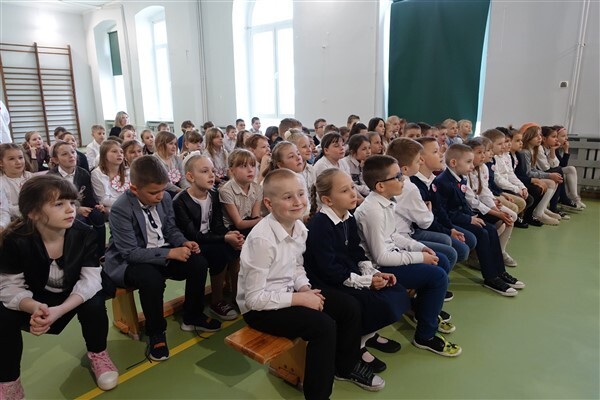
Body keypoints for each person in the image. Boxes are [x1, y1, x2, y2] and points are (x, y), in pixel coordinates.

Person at [237, 169, 385, 398]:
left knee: (349, 306)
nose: (298, 202)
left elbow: (296, 267)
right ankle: (318, 395)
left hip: (290, 293)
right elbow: (254, 299)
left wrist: (305, 288)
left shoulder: (299, 228)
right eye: (288, 197)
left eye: (301, 194)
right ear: (269, 203)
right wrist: (301, 298)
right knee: (323, 327)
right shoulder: (262, 240)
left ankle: (345, 367)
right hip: (260, 310)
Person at [0, 175, 119, 398]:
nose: (70, 209)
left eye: (72, 202)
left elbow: (90, 280)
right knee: (3, 315)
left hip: (70, 295)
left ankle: (98, 354)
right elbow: (10, 287)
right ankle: (9, 381)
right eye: (58, 204)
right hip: (35, 297)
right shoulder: (14, 240)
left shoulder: (84, 233)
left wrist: (60, 310)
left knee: (94, 302)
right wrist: (34, 307)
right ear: (33, 212)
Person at [104, 156, 217, 361]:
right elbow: (129, 252)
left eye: (162, 190)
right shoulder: (121, 208)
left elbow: (170, 229)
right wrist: (170, 253)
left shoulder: (165, 198)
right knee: (151, 279)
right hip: (130, 261)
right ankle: (156, 332)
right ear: (134, 189)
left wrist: (183, 242)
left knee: (198, 263)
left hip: (160, 250)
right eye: (153, 192)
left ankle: (192, 316)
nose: (160, 196)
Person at [354, 155, 462, 356]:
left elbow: (394, 235)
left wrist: (419, 247)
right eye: (397, 177)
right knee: (438, 276)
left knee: (442, 260)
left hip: (392, 256)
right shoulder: (372, 211)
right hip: (380, 269)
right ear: (380, 186)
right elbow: (380, 257)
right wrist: (420, 258)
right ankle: (425, 336)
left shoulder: (386, 202)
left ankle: (424, 312)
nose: (403, 179)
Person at [305, 168, 409, 373]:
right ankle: (358, 345)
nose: (353, 194)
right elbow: (328, 269)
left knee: (396, 291)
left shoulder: (348, 217)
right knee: (370, 303)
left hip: (347, 272)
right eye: (345, 191)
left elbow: (355, 250)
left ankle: (367, 335)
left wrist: (373, 274)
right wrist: (366, 282)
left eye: (352, 187)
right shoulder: (320, 225)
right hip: (328, 280)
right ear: (327, 200)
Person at [434, 144, 525, 296]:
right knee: (482, 233)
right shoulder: (443, 182)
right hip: (450, 221)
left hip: (461, 216)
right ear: (454, 163)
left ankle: (500, 271)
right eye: (468, 162)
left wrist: (471, 216)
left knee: (490, 229)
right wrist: (469, 219)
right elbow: (444, 213)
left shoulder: (460, 178)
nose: (472, 166)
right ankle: (491, 277)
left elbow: (464, 203)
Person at [173, 154, 244, 321]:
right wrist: (224, 238)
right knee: (220, 251)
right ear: (190, 177)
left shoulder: (213, 195)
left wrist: (229, 234)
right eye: (205, 171)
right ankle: (216, 300)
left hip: (209, 239)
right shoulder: (180, 201)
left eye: (212, 171)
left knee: (235, 247)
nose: (212, 175)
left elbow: (217, 225)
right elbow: (193, 235)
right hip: (191, 244)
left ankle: (236, 294)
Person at [385, 138, 456, 300]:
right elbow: (425, 222)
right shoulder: (409, 187)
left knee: (446, 246)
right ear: (405, 168)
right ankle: (428, 292)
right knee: (448, 255)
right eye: (418, 161)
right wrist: (428, 210)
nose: (420, 163)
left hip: (399, 235)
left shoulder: (402, 183)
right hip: (400, 238)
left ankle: (430, 288)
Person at [410, 137, 476, 266]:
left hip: (433, 223)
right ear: (421, 159)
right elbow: (424, 222)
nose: (441, 154)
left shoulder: (432, 180)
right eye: (435, 152)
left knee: (466, 243)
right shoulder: (415, 186)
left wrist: (451, 228)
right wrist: (448, 232)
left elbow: (439, 209)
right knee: (455, 249)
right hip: (417, 230)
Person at [465, 138, 518, 267]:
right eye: (480, 152)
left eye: (485, 152)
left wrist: (494, 205)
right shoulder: (465, 172)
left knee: (511, 217)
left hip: (481, 205)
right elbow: (471, 200)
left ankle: (500, 251)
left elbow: (484, 191)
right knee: (501, 220)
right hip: (470, 209)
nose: (483, 155)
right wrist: (495, 212)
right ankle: (477, 254)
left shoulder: (482, 168)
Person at [48, 141, 106, 259]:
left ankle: (100, 254)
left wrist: (96, 205)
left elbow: (89, 198)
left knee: (98, 215)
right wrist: (77, 209)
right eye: (64, 154)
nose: (71, 156)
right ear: (55, 160)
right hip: (62, 211)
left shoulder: (83, 173)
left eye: (73, 152)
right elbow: (53, 203)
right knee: (79, 220)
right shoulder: (51, 178)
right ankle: (81, 256)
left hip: (83, 208)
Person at [481, 129, 532, 228]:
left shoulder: (494, 159)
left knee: (523, 202)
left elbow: (509, 174)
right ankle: (502, 225)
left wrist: (520, 187)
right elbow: (494, 181)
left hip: (493, 192)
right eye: (500, 144)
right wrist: (499, 195)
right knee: (513, 209)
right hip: (489, 194)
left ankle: (505, 224)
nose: (504, 146)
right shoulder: (488, 162)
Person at [517, 124, 561, 224]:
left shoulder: (532, 150)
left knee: (553, 180)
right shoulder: (525, 152)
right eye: (536, 136)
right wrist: (548, 175)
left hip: (527, 177)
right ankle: (538, 212)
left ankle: (542, 209)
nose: (540, 138)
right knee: (549, 183)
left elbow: (534, 169)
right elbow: (528, 173)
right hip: (524, 179)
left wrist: (549, 175)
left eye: (540, 135)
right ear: (528, 136)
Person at [219, 149, 263, 237]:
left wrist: (260, 221)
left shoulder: (257, 188)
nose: (250, 170)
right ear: (232, 170)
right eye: (243, 166)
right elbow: (239, 224)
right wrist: (262, 220)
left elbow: (255, 216)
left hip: (250, 224)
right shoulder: (226, 191)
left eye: (253, 165)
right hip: (233, 230)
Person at [91, 140, 130, 213]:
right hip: (112, 208)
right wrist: (126, 203)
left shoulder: (128, 172)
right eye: (114, 151)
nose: (119, 154)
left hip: (129, 205)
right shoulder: (97, 174)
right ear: (104, 155)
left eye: (121, 152)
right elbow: (103, 199)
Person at [554, 125, 586, 209]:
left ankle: (574, 197)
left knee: (570, 170)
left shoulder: (556, 149)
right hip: (549, 171)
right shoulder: (552, 148)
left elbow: (562, 164)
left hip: (555, 170)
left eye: (566, 135)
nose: (566, 138)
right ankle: (572, 198)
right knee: (570, 169)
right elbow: (561, 165)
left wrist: (566, 150)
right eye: (563, 136)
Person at [0, 143, 33, 220]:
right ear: (1, 163)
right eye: (11, 159)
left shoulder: (32, 178)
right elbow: (4, 210)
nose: (18, 162)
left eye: (20, 157)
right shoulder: (1, 183)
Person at [154, 131, 189, 195]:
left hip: (178, 189)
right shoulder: (153, 160)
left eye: (175, 144)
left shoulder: (177, 159)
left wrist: (187, 189)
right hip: (163, 191)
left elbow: (183, 178)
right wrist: (180, 191)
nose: (174, 146)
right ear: (160, 145)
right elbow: (162, 182)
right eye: (171, 143)